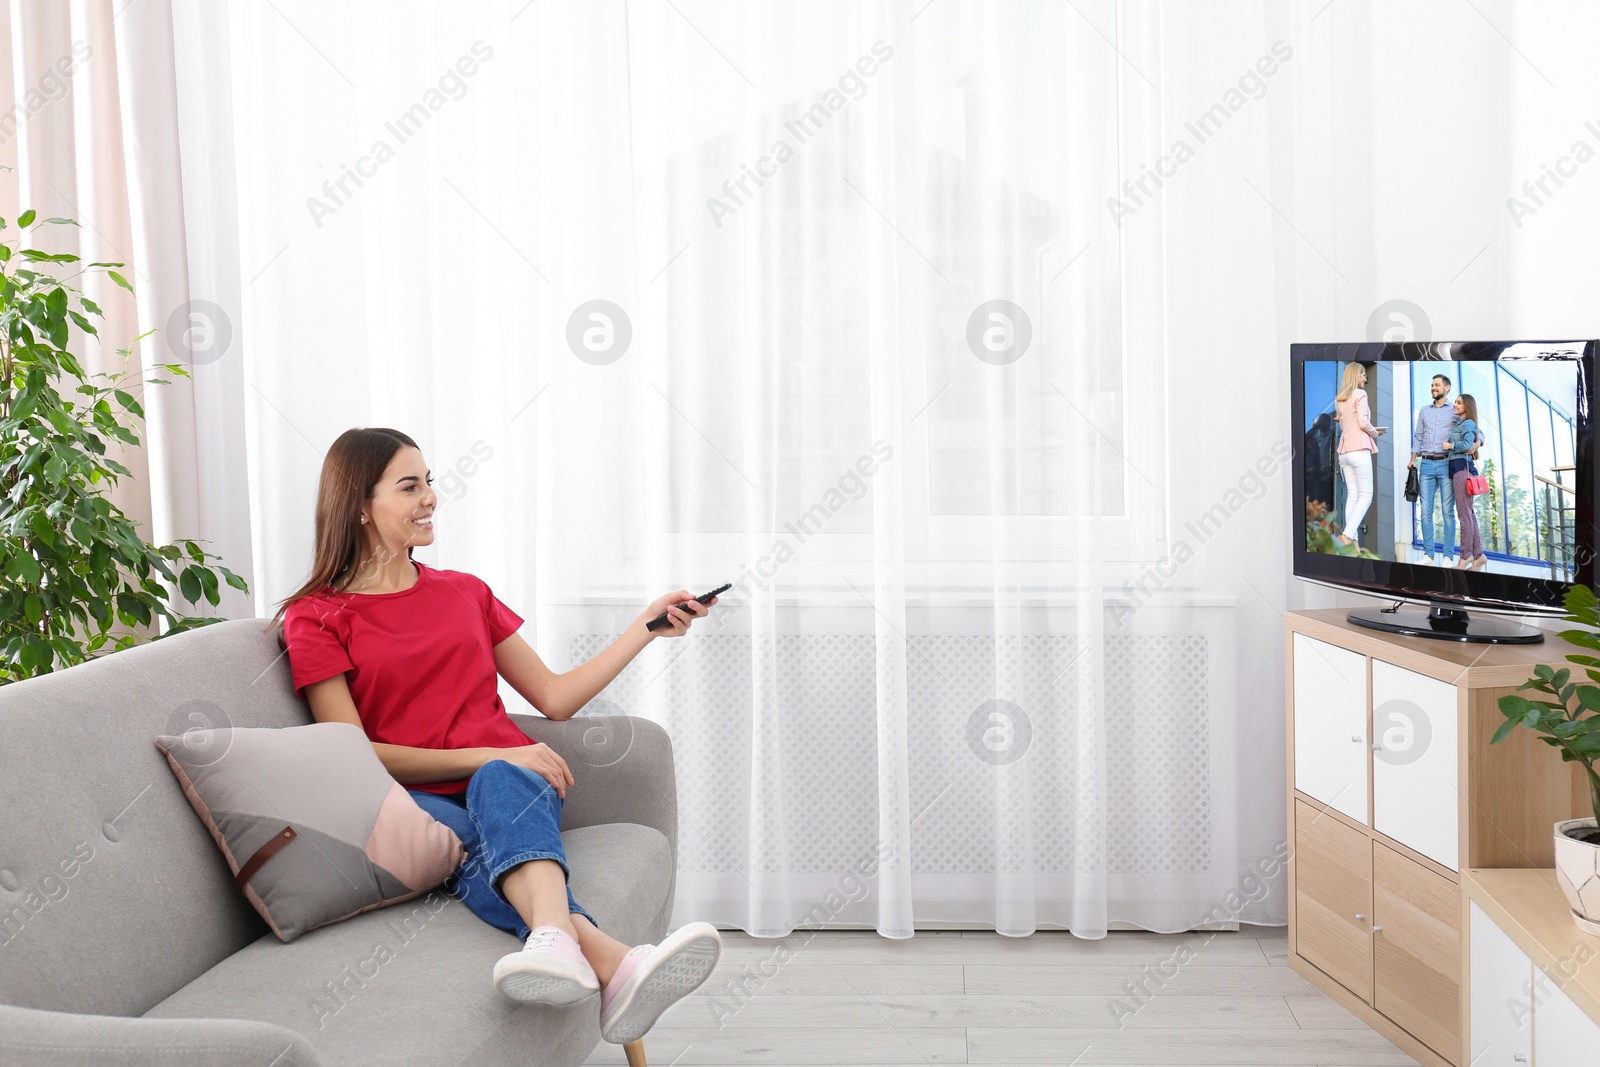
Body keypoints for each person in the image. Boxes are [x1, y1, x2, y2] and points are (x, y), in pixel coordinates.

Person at [269, 427, 722, 1045]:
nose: (430, 497)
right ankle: (612, 962)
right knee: (470, 810)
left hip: (514, 791)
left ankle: (560, 946)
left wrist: (644, 628)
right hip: (410, 801)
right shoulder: (316, 617)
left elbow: (555, 695)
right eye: (410, 486)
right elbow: (350, 753)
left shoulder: (465, 592)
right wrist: (495, 751)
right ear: (359, 506)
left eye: (429, 481)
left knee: (500, 787)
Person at [1333, 363, 1387, 547]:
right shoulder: (1360, 394)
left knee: (1353, 496)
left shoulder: (1339, 400)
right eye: (1363, 375)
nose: (1365, 378)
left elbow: (1344, 426)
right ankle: (1347, 536)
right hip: (1358, 450)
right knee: (1366, 496)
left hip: (1344, 452)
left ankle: (1353, 544)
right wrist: (1375, 433)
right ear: (1356, 376)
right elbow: (1363, 423)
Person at [1409, 373, 1458, 563]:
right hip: (1427, 464)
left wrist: (1476, 444)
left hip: (1447, 463)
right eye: (1431, 385)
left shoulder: (1455, 410)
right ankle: (1429, 554)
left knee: (1447, 511)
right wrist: (1413, 458)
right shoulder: (1424, 411)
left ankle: (1447, 556)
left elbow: (1476, 430)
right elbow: (1418, 437)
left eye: (1437, 385)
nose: (1433, 388)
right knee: (1425, 511)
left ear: (1447, 388)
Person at [1446, 395, 1487, 570]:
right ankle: (1479, 556)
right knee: (1469, 513)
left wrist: (1451, 446)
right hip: (1458, 468)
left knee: (1463, 514)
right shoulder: (1458, 422)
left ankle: (1466, 555)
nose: (1455, 405)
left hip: (1462, 468)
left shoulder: (1468, 423)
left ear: (1467, 406)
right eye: (1455, 402)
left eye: (1459, 402)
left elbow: (1468, 444)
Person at [1303, 412, 1336, 513]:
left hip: (1330, 475)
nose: (1320, 423)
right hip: (1321, 477)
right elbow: (1305, 439)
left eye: (1322, 421)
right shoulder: (1319, 438)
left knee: (1327, 504)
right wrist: (1315, 427)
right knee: (1320, 505)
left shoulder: (1333, 435)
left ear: (1328, 422)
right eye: (1319, 421)